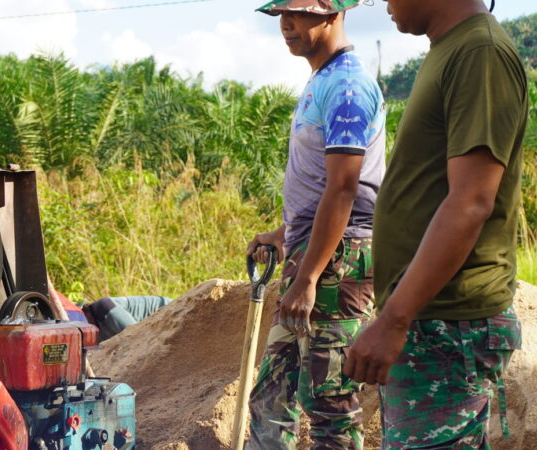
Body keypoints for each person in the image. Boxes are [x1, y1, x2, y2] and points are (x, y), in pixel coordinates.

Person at [344, 0, 527, 448]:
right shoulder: (450, 49)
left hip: (448, 326)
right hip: (432, 321)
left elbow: (471, 201)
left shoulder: (479, 53)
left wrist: (393, 320)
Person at [246, 1, 386, 447]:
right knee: (270, 394)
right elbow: (321, 188)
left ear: (333, 14)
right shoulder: (321, 81)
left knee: (330, 405)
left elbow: (345, 190)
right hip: (313, 256)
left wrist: (308, 277)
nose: (287, 24)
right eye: (281, 14)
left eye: (300, 13)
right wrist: (285, 236)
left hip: (338, 265)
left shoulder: (348, 87)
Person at [82, 296, 172, 341]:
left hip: (168, 312)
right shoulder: (90, 333)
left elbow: (137, 335)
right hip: (155, 330)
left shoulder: (105, 307)